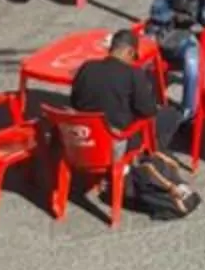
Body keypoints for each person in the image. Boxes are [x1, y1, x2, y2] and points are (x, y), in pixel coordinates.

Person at [67, 30, 198, 215]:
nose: (134, 60)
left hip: (80, 142)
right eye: (135, 56)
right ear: (129, 52)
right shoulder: (132, 74)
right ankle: (150, 155)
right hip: (113, 144)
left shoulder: (86, 68)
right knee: (168, 115)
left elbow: (74, 102)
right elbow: (148, 111)